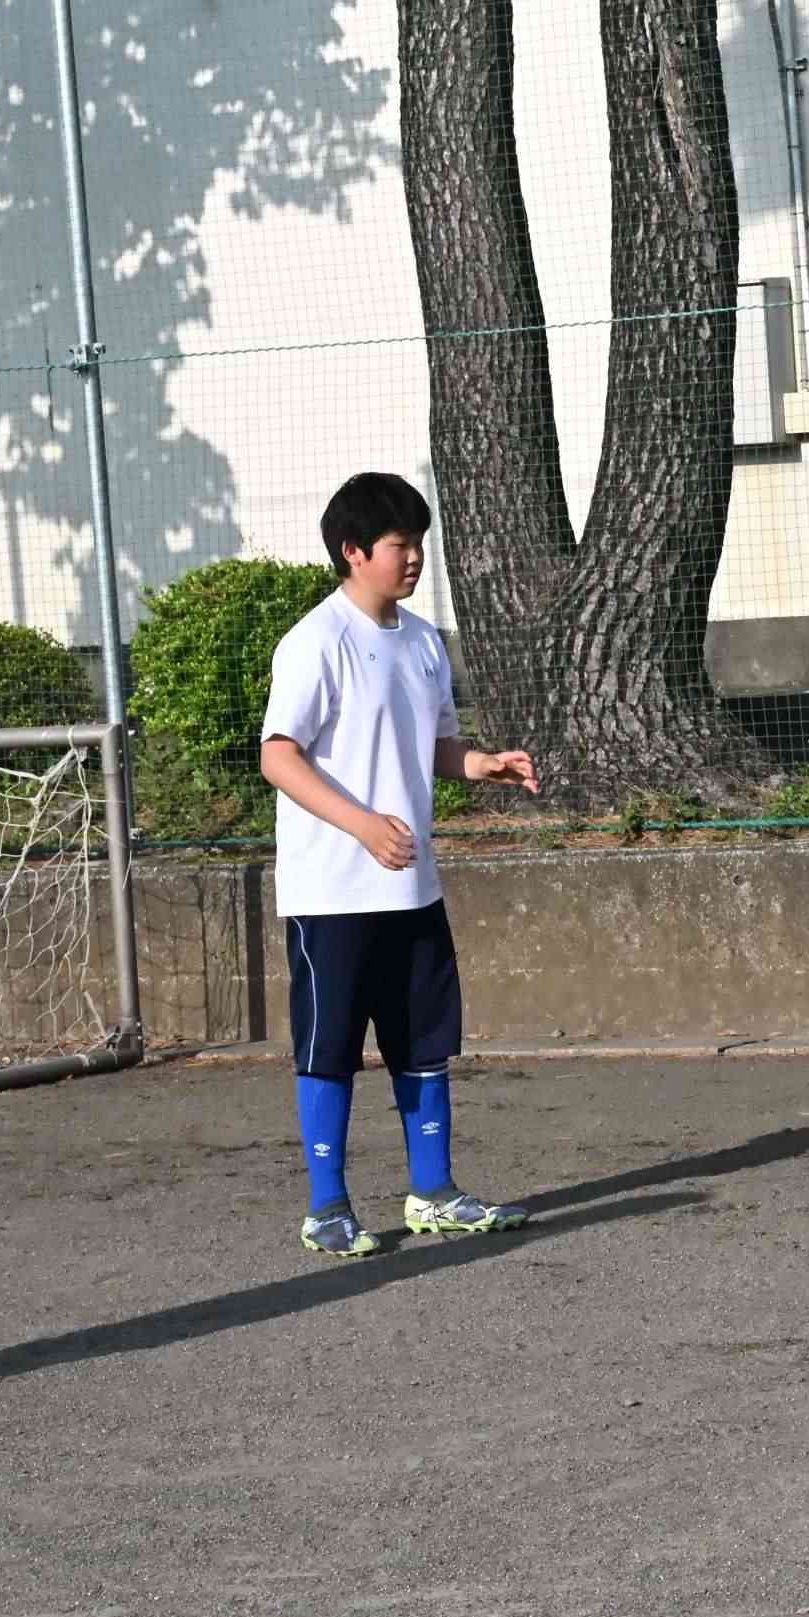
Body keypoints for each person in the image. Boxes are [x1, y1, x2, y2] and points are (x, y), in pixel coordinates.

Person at [261, 471, 541, 1258]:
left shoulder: (422, 642)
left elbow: (436, 746)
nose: (414, 557)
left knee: (423, 1040)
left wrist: (481, 764)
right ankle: (327, 1207)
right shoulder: (316, 641)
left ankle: (435, 1193)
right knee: (329, 1047)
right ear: (353, 552)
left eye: (419, 543)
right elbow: (278, 756)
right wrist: (361, 826)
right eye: (398, 544)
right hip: (332, 891)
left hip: (411, 887)